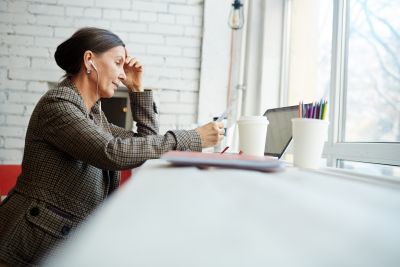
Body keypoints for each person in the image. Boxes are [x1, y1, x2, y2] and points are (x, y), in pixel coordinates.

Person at [0, 27, 224, 267]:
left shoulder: (93, 114)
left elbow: (142, 143)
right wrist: (193, 137)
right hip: (25, 245)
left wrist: (137, 89)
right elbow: (112, 152)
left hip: (56, 240)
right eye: (118, 63)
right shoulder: (58, 105)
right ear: (89, 60)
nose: (121, 75)